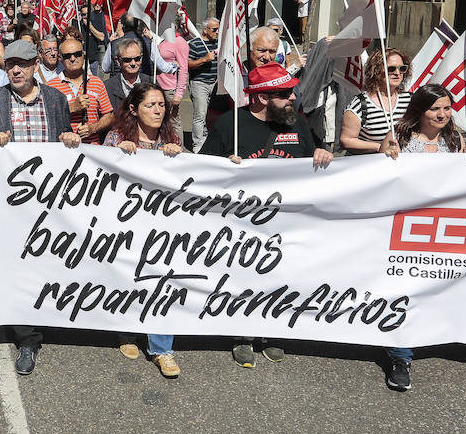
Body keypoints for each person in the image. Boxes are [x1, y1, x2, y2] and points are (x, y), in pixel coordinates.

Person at [201, 62, 333, 367]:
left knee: (281, 275)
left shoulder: (297, 123)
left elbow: (311, 158)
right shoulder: (231, 123)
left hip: (286, 223)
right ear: (261, 98)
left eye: (293, 92)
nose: (293, 98)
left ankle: (272, 331)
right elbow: (202, 170)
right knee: (245, 275)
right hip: (242, 223)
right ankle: (242, 333)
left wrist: (321, 154)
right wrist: (224, 168)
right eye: (285, 93)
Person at [0, 39, 81, 375]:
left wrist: (70, 139)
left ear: (36, 65)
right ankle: (27, 337)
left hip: (49, 202)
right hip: (11, 204)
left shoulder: (55, 99)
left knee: (46, 266)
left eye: (22, 63)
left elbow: (65, 140)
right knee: (19, 269)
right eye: (10, 65)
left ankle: (45, 315)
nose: (15, 70)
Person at [377, 84, 466, 391]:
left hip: (440, 229)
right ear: (419, 111)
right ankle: (401, 356)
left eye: (447, 108)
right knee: (403, 290)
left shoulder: (455, 139)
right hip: (400, 226)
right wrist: (385, 156)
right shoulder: (399, 136)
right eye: (435, 108)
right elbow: (375, 173)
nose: (442, 114)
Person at [104, 83, 184, 377]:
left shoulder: (172, 137)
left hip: (162, 227)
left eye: (161, 104)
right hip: (124, 225)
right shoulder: (116, 137)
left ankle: (162, 349)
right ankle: (127, 330)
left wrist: (178, 158)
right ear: (134, 110)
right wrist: (117, 155)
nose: (158, 110)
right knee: (127, 276)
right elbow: (98, 179)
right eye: (150, 105)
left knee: (161, 282)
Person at [339, 48, 413, 154]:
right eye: (391, 69)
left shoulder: (410, 100)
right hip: (369, 165)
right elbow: (346, 141)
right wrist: (379, 147)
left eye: (402, 68)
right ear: (376, 71)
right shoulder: (361, 103)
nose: (397, 73)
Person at [48, 36, 113, 144]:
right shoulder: (51, 86)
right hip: (64, 150)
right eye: (67, 56)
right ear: (60, 58)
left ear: (83, 55)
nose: (73, 58)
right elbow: (47, 117)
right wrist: (72, 108)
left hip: (92, 151)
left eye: (77, 54)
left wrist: (93, 128)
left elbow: (109, 116)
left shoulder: (96, 82)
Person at [186, 17, 220, 150]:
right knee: (200, 115)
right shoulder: (194, 44)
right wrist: (204, 59)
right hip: (200, 83)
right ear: (205, 30)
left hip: (216, 84)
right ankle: (198, 145)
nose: (217, 32)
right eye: (214, 29)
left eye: (218, 29)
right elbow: (188, 64)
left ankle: (210, 140)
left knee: (212, 114)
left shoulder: (218, 43)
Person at [104, 36, 152, 114]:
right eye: (127, 60)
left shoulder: (150, 83)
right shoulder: (107, 87)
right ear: (118, 61)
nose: (133, 63)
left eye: (137, 59)